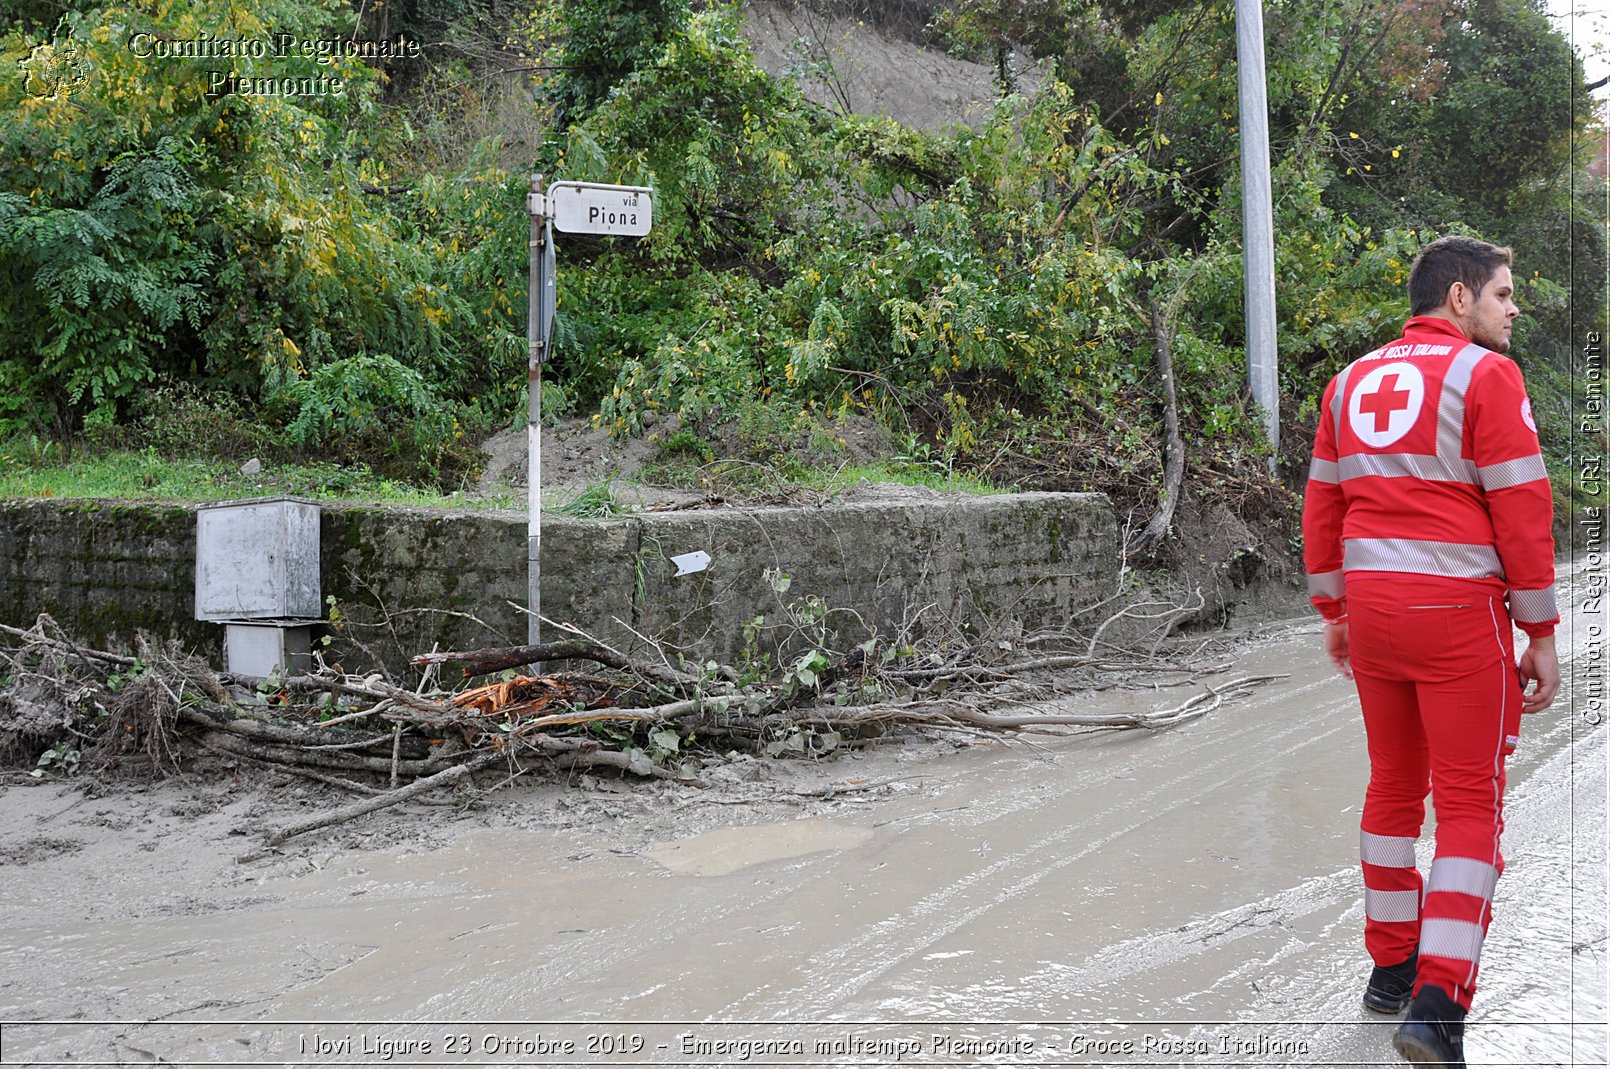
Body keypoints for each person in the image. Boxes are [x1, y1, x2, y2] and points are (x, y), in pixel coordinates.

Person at [1301, 234, 1560, 1067]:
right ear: (1458, 297)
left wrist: (1335, 612)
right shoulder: (1487, 376)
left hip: (1374, 617)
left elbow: (1323, 511)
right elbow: (1522, 509)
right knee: (1470, 807)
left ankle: (1389, 969)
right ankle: (1439, 1002)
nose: (1513, 308)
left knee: (1393, 790)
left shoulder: (1348, 381)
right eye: (1503, 294)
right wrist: (1543, 632)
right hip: (1457, 619)